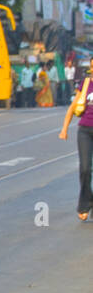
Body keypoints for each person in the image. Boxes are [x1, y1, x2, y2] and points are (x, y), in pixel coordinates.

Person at [57, 69, 93, 221]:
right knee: (85, 169)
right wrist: (64, 128)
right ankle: (84, 204)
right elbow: (73, 107)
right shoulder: (86, 84)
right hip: (84, 131)